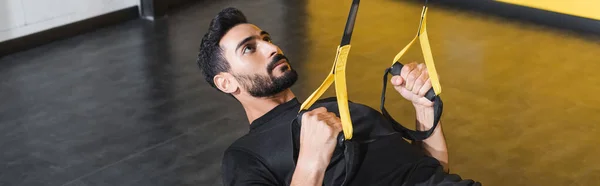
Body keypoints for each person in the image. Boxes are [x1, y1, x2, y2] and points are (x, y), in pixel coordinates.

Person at [197, 7, 480, 186]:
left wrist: (424, 109)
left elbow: (433, 170)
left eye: (266, 39)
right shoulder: (246, 155)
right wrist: (312, 162)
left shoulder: (341, 107)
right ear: (226, 82)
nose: (272, 48)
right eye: (249, 48)